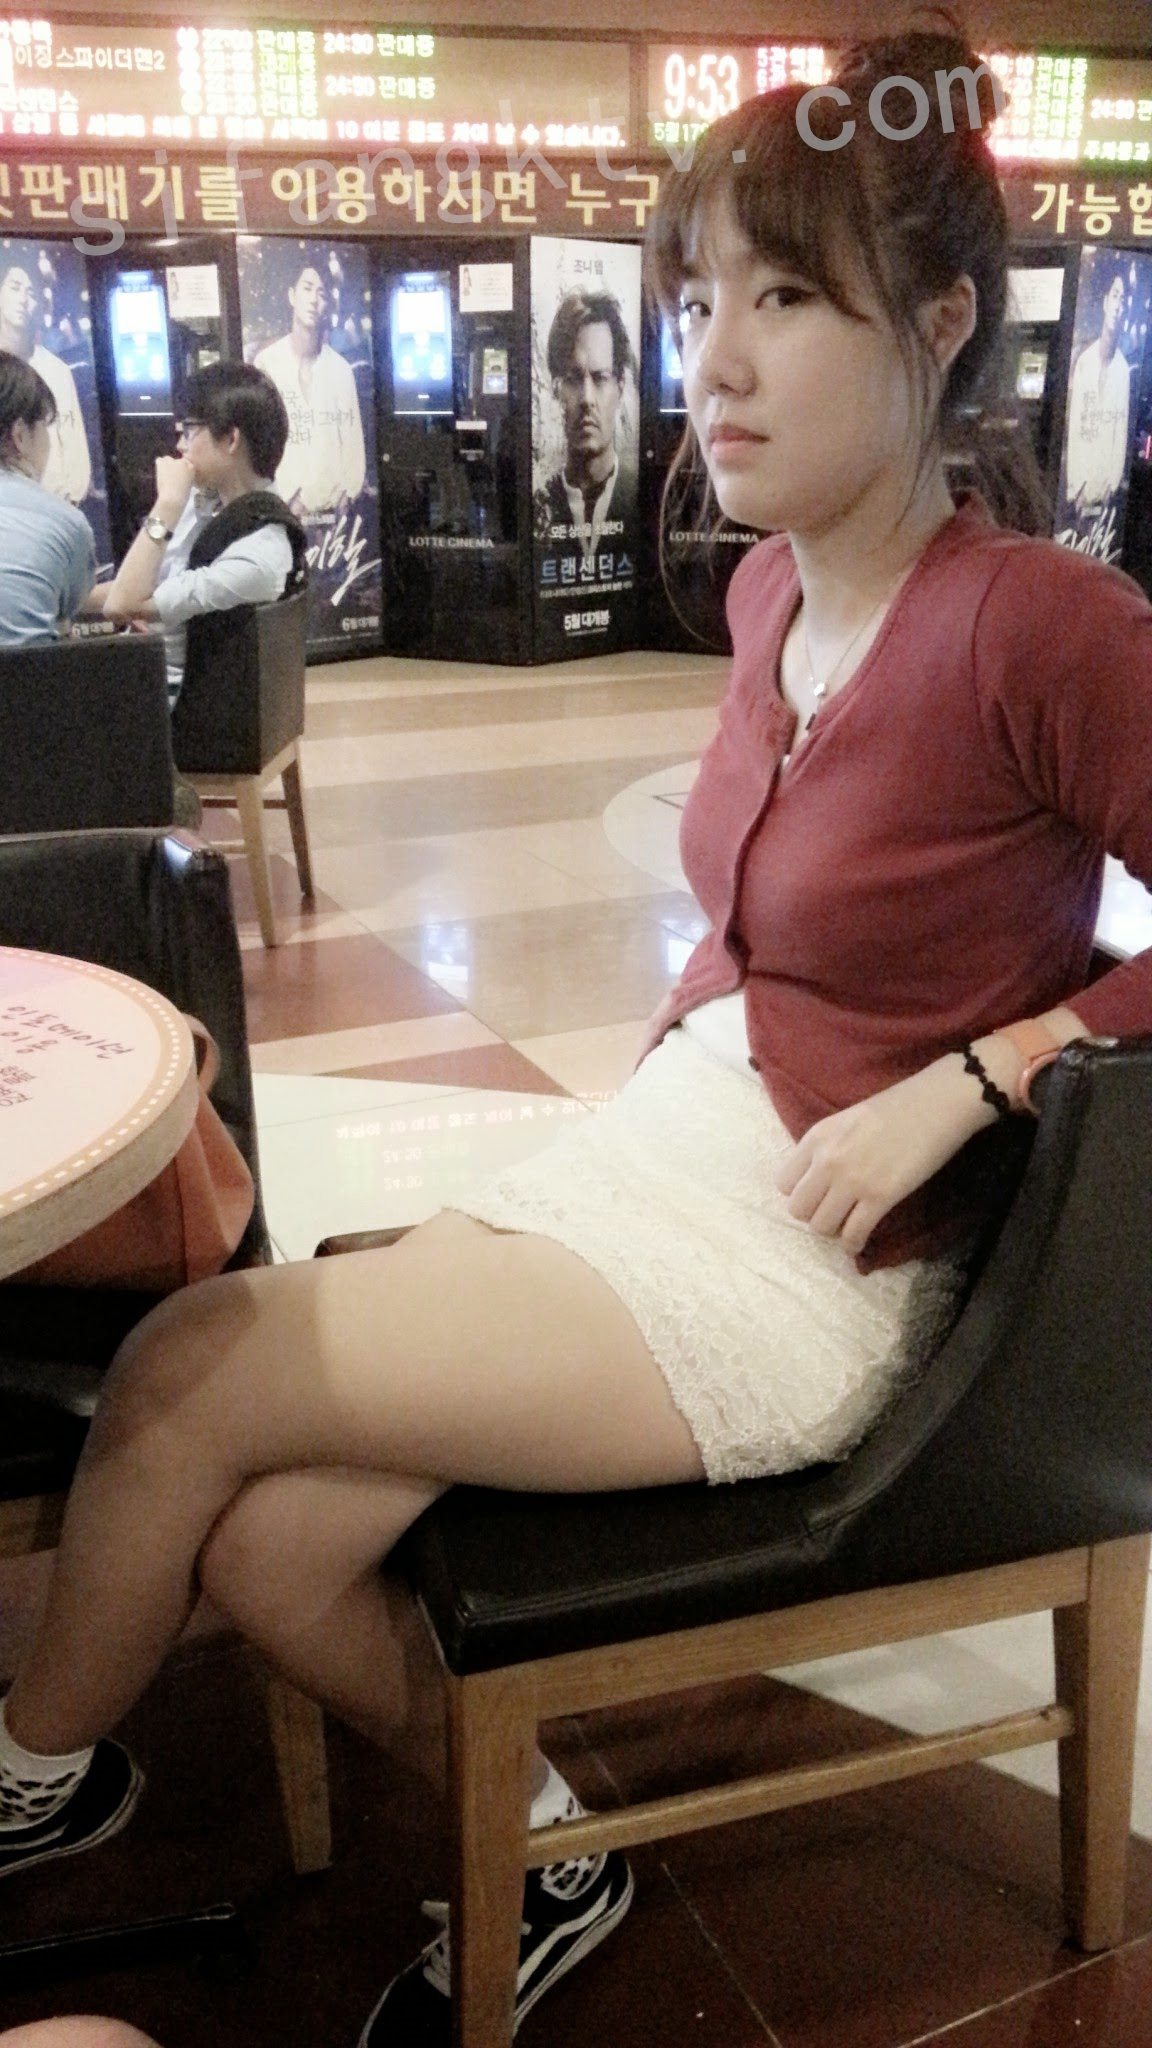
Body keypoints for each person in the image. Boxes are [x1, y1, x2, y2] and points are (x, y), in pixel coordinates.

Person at [2, 25, 1151, 2047]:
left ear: (941, 326)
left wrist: (991, 1067)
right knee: (267, 1545)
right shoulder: (769, 597)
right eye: (700, 298)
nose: (712, 359)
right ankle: (545, 1852)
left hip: (814, 1258)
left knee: (185, 1374)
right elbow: (763, 931)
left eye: (785, 299)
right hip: (672, 1151)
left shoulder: (1043, 624)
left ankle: (33, 1776)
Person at [99, 361, 307, 708]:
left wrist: (166, 504)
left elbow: (121, 604)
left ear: (231, 439)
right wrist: (66, 600)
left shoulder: (260, 551)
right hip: (139, 669)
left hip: (171, 701)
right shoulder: (206, 500)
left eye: (189, 431)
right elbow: (139, 586)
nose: (179, 445)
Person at [254, 262, 367, 514]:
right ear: (292, 296)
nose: (314, 300)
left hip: (332, 514)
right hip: (279, 509)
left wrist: (347, 495)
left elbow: (353, 446)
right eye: (307, 288)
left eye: (322, 293)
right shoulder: (266, 363)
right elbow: (259, 444)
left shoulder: (340, 370)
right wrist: (285, 499)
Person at [534, 289, 636, 567]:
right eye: (574, 378)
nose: (587, 399)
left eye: (600, 378)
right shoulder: (539, 505)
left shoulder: (639, 497)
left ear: (620, 386)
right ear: (556, 389)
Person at [0, 351, 95, 646]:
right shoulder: (64, 521)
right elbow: (68, 607)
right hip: (27, 674)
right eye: (45, 425)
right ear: (20, 435)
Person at [0, 258, 92, 506]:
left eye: (30, 293)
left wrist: (68, 505)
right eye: (14, 287)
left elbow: (75, 449)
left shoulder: (55, 370)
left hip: (55, 507)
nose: (23, 299)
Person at [1062, 270, 1132, 519]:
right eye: (1115, 296)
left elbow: (1120, 431)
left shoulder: (1123, 371)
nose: (1118, 305)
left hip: (1106, 499)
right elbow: (1076, 428)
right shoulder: (1084, 362)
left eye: (1123, 299)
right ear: (1105, 302)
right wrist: (1076, 487)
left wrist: (1112, 486)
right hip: (1078, 495)